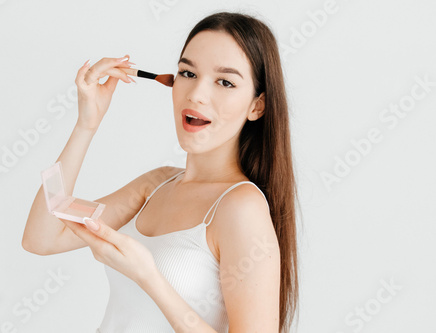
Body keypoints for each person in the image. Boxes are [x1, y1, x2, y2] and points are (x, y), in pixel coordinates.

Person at [22, 10, 299, 333]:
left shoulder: (241, 207)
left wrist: (148, 276)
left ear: (257, 106)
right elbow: (41, 237)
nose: (196, 94)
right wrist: (87, 124)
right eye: (187, 73)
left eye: (225, 82)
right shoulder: (156, 185)